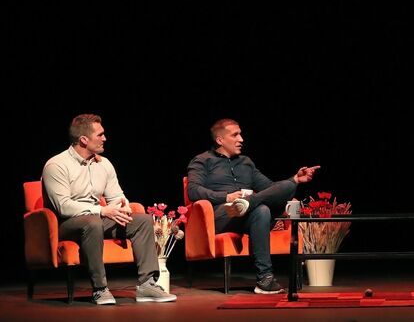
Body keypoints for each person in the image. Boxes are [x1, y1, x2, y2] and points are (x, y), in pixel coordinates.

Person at [42, 114, 177, 305]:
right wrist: (101, 210)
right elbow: (64, 206)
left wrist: (124, 207)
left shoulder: (104, 164)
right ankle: (100, 288)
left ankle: (147, 284)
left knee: (142, 221)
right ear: (84, 140)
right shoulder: (56, 165)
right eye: (100, 135)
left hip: (98, 220)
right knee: (92, 222)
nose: (104, 138)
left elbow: (117, 196)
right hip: (66, 224)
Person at [187, 118, 320, 294]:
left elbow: (271, 189)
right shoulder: (202, 160)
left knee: (278, 195)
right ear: (220, 140)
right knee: (264, 206)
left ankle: (264, 279)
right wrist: (226, 196)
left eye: (240, 134)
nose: (241, 139)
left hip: (250, 215)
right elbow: (193, 190)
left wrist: (295, 179)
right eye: (235, 135)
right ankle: (265, 275)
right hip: (222, 216)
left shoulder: (246, 162)